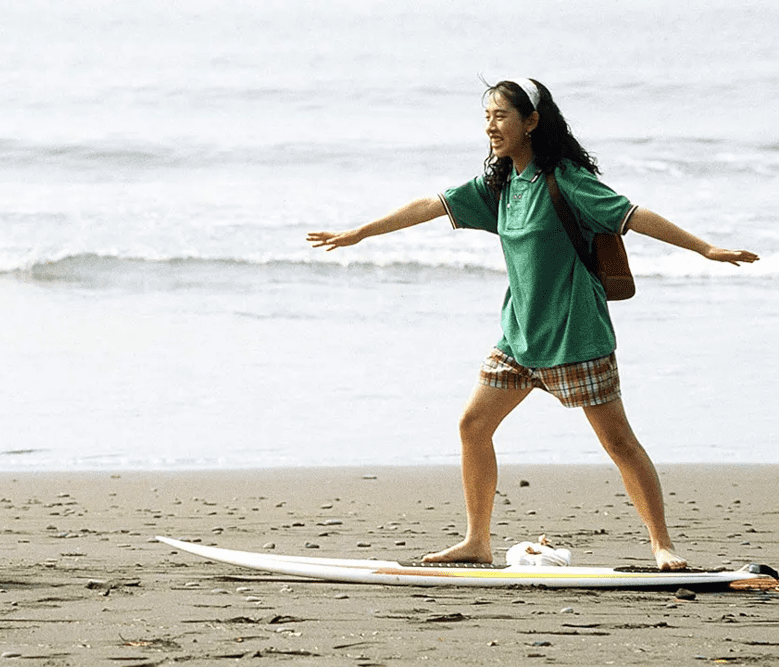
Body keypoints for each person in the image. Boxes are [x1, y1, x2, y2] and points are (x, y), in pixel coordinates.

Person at [307, 78, 759, 571]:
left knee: (619, 442)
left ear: (532, 121)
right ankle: (476, 541)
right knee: (473, 426)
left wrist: (706, 249)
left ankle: (662, 544)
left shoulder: (565, 180)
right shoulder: (499, 186)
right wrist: (359, 233)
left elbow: (634, 215)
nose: (491, 126)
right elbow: (429, 206)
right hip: (519, 337)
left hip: (575, 335)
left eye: (501, 116)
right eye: (487, 117)